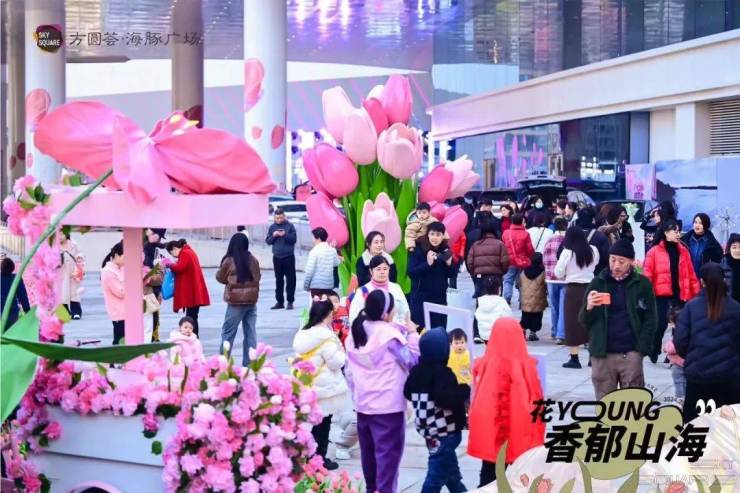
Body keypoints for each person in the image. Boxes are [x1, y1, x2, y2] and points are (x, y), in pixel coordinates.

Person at [346, 289, 420, 493]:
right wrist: (413, 334)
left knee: (370, 464)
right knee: (387, 468)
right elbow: (412, 361)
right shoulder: (390, 337)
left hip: (363, 407)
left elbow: (349, 373)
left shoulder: (356, 333)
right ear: (386, 312)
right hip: (389, 410)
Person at [468, 318, 545, 487]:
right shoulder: (527, 368)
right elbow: (536, 404)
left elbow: (479, 406)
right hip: (520, 437)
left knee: (488, 476)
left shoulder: (485, 366)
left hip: (492, 436)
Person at [579, 240, 658, 399]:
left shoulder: (642, 284)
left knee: (632, 404)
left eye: (621, 261)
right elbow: (583, 320)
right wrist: (589, 307)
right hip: (602, 354)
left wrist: (640, 349)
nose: (616, 265)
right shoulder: (598, 282)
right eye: (613, 259)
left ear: (631, 261)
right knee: (605, 403)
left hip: (630, 353)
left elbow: (651, 319)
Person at [404, 328, 470, 493]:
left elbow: (407, 392)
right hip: (445, 430)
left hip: (428, 430)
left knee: (447, 466)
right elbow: (445, 399)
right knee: (436, 474)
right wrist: (464, 390)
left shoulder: (417, 371)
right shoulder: (443, 373)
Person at [674, 262, 740, 423]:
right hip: (729, 376)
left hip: (698, 376)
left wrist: (693, 356)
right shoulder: (736, 308)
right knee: (728, 427)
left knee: (695, 424)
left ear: (701, 281)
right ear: (724, 280)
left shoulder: (691, 307)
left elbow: (680, 341)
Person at [293, 296, 349, 471]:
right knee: (323, 425)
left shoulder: (303, 334)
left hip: (308, 384)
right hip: (325, 388)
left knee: (313, 424)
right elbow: (335, 362)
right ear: (327, 315)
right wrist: (342, 354)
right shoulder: (326, 337)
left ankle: (309, 455)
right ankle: (319, 460)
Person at [643, 220, 701, 363]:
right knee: (660, 324)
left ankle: (674, 353)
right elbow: (647, 275)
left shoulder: (683, 250)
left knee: (679, 325)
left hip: (679, 294)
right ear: (665, 232)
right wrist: (646, 294)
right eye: (674, 231)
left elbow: (691, 274)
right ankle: (654, 348)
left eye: (678, 231)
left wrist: (697, 294)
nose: (677, 234)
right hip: (660, 295)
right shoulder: (654, 251)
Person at [555, 226, 600, 369]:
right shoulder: (593, 250)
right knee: (591, 321)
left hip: (573, 290)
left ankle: (574, 358)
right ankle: (592, 357)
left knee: (572, 323)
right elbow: (596, 265)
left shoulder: (567, 253)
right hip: (590, 289)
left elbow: (558, 273)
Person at [216, 233, 261, 366]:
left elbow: (220, 277)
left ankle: (222, 365)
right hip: (251, 302)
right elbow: (258, 277)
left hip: (235, 303)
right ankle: (249, 365)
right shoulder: (253, 260)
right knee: (250, 333)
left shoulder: (229, 261)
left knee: (228, 333)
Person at [408, 222, 453, 328]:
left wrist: (449, 265)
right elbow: (411, 273)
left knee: (439, 331)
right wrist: (427, 264)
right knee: (421, 332)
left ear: (443, 236)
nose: (435, 238)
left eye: (438, 235)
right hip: (421, 299)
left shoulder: (445, 251)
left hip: (439, 299)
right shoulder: (418, 249)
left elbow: (451, 275)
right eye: (432, 234)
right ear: (428, 234)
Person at [165, 239, 211, 336]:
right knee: (193, 316)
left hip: (191, 292)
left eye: (172, 253)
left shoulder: (185, 253)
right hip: (194, 290)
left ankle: (193, 337)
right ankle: (194, 337)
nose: (174, 256)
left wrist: (170, 265)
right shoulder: (189, 251)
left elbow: (180, 267)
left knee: (191, 317)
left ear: (174, 249)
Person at [350, 255, 410, 326]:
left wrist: (401, 327)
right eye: (378, 269)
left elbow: (405, 312)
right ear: (371, 271)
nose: (382, 272)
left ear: (389, 269)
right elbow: (354, 316)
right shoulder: (363, 291)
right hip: (371, 330)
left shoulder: (396, 288)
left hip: (395, 329)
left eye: (385, 269)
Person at [266, 208, 297, 310]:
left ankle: (290, 301)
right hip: (277, 257)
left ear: (284, 216)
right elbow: (268, 241)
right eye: (277, 218)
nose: (279, 219)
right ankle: (279, 302)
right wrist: (274, 236)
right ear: (274, 218)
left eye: (281, 217)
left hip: (288, 257)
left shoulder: (290, 226)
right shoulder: (272, 227)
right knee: (278, 280)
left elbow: (294, 240)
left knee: (290, 279)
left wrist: (285, 235)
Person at [502, 213, 535, 305]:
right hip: (523, 261)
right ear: (521, 222)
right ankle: (522, 300)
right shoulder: (525, 234)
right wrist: (530, 257)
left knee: (508, 280)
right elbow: (530, 249)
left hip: (509, 261)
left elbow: (503, 246)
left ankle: (507, 297)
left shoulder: (506, 233)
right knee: (522, 281)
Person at [544, 217, 568, 343]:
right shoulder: (568, 240)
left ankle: (554, 331)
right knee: (564, 306)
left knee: (554, 306)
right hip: (564, 278)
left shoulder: (550, 239)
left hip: (550, 277)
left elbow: (544, 257)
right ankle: (561, 334)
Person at [143, 228, 166, 341]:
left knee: (154, 315)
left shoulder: (157, 248)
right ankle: (152, 338)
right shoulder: (146, 248)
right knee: (151, 316)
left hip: (154, 289)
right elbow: (152, 276)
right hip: (148, 290)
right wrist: (160, 267)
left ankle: (154, 337)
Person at [304, 227, 340, 297]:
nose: (312, 240)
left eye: (313, 238)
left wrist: (306, 286)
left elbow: (309, 271)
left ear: (318, 238)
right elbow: (336, 263)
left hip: (316, 286)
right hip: (329, 286)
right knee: (327, 303)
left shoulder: (314, 251)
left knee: (317, 303)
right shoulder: (332, 250)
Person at [101, 241, 126, 345]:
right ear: (116, 255)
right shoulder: (108, 272)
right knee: (120, 342)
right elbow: (121, 292)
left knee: (126, 342)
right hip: (119, 314)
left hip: (127, 312)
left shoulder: (121, 268)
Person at [475, 276, 513, 342]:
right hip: (498, 335)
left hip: (483, 334)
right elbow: (509, 316)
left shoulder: (481, 301)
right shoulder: (501, 301)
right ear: (498, 289)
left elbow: (477, 315)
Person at [519, 252, 547, 342]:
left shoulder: (523, 272)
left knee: (525, 315)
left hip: (525, 299)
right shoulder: (543, 272)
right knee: (537, 317)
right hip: (538, 300)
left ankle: (523, 330)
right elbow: (545, 284)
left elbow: (519, 283)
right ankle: (533, 333)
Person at [575, 207, 610, 275]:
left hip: (574, 276)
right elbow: (607, 258)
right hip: (595, 275)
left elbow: (560, 253)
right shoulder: (601, 237)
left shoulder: (571, 235)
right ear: (593, 219)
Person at [663, 306, 686, 405]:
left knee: (678, 381)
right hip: (688, 363)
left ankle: (680, 398)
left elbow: (673, 348)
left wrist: (666, 347)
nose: (671, 325)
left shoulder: (679, 333)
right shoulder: (691, 330)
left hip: (678, 363)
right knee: (686, 381)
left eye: (672, 323)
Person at [59, 230, 84, 319]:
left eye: (62, 234)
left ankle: (76, 312)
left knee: (74, 293)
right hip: (61, 273)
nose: (60, 236)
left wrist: (79, 258)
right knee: (62, 294)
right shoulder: (54, 246)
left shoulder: (73, 244)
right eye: (58, 234)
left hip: (73, 272)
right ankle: (64, 314)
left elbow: (80, 253)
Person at [1, 257, 30, 330]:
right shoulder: (16, 278)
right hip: (12, 314)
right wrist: (28, 311)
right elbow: (23, 297)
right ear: (12, 268)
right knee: (10, 334)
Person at [721, 233, 740, 303]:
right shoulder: (722, 266)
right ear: (729, 249)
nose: (737, 250)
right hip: (729, 305)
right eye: (734, 247)